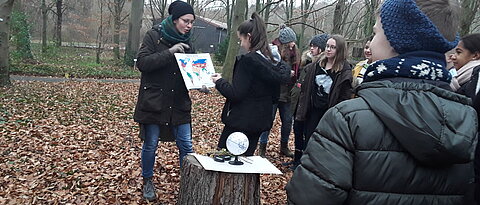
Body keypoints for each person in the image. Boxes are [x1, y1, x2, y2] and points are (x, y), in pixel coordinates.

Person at [286, 0, 477, 204]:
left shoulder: (348, 120)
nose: (372, 41)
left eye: (376, 33)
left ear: (396, 40)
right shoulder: (467, 120)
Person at [133, 0, 196, 201]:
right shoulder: (154, 36)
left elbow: (192, 72)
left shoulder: (188, 43)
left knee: (186, 144)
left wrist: (200, 83)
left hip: (179, 102)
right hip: (154, 101)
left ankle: (188, 183)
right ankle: (147, 180)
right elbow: (143, 63)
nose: (189, 25)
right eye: (186, 21)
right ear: (175, 19)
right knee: (151, 143)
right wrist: (170, 52)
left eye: (192, 22)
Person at [212, 12, 290, 156]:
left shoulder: (248, 62)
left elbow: (236, 94)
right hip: (259, 122)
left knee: (225, 161)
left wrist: (219, 82)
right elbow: (273, 96)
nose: (241, 44)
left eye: (241, 39)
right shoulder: (273, 61)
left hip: (240, 122)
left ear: (249, 36)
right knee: (245, 162)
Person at [284, 33, 330, 170]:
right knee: (297, 132)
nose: (311, 49)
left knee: (306, 134)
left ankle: (303, 162)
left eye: (314, 46)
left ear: (321, 49)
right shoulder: (306, 62)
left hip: (308, 106)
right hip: (297, 102)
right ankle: (296, 159)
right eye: (311, 46)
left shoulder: (320, 66)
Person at [300, 34, 353, 141]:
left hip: (328, 114)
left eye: (333, 47)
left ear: (340, 49)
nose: (328, 49)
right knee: (309, 140)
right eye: (327, 46)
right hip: (312, 111)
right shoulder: (317, 65)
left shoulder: (344, 72)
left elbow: (344, 97)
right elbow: (306, 88)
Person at [258, 25, 299, 158]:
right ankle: (262, 148)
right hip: (273, 92)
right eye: (291, 42)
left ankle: (284, 146)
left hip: (287, 93)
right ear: (285, 42)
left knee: (287, 121)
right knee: (267, 121)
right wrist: (286, 73)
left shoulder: (295, 55)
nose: (293, 44)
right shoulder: (273, 51)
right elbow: (269, 70)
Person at [450, 33, 480, 99]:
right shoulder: (456, 77)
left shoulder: (476, 81)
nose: (453, 57)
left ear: (475, 56)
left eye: (459, 52)